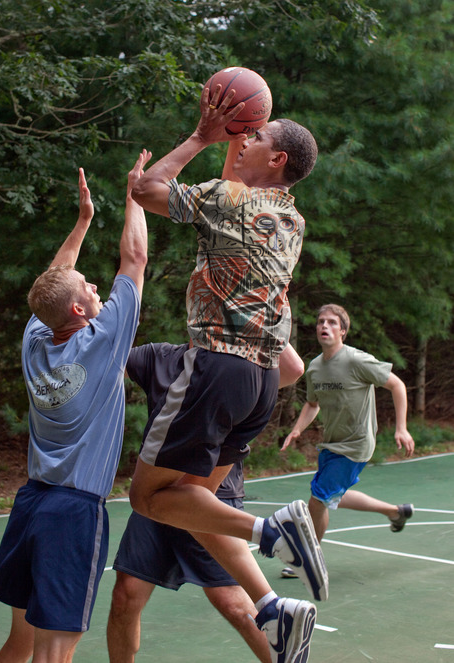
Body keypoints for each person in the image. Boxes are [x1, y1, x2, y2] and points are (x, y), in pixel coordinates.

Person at [128, 83, 327, 663]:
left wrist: (200, 137)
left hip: (217, 366)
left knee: (148, 498)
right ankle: (272, 610)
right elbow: (236, 187)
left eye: (257, 136)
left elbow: (144, 190)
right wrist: (235, 142)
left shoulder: (232, 201)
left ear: (278, 159)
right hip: (262, 382)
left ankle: (274, 531)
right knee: (191, 505)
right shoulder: (290, 217)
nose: (247, 140)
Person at [0, 151, 150, 663]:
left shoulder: (36, 337)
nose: (96, 287)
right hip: (73, 511)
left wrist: (82, 223)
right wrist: (134, 194)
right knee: (54, 653)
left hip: (30, 503)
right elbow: (134, 260)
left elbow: (51, 283)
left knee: (21, 643)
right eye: (89, 288)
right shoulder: (102, 343)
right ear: (79, 309)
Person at [107, 341, 305, 663]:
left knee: (235, 605)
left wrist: (268, 311)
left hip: (211, 494)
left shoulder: (238, 363)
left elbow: (294, 369)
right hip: (160, 492)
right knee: (125, 597)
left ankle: (272, 541)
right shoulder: (159, 357)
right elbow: (109, 352)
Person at [280, 303, 415, 578]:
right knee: (333, 497)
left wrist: (401, 428)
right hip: (332, 443)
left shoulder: (357, 360)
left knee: (317, 501)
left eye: (331, 322)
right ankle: (395, 512)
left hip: (356, 444)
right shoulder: (315, 368)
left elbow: (397, 385)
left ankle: (311, 559)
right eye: (320, 322)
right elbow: (312, 404)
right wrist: (297, 429)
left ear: (343, 330)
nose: (324, 326)